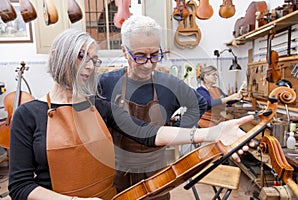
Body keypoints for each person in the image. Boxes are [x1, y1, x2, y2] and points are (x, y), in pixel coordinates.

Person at [8, 29, 253, 200]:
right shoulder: (28, 115)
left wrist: (212, 132)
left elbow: (150, 134)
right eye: (81, 56)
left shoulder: (100, 106)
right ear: (56, 57)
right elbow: (20, 187)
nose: (90, 66)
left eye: (94, 59)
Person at [97, 15, 207, 199]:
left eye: (155, 55)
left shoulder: (170, 84)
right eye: (140, 56)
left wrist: (177, 131)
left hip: (156, 177)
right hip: (116, 175)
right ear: (124, 52)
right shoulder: (106, 83)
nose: (149, 64)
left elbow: (199, 104)